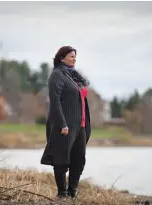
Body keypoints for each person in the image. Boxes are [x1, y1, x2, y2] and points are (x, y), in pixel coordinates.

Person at [40, 46, 91, 198]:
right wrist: (62, 124)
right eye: (70, 56)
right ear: (61, 58)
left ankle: (72, 191)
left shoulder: (74, 77)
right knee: (61, 159)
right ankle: (62, 193)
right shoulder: (57, 75)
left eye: (75, 56)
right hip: (64, 126)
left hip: (80, 125)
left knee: (79, 159)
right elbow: (55, 102)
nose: (74, 58)